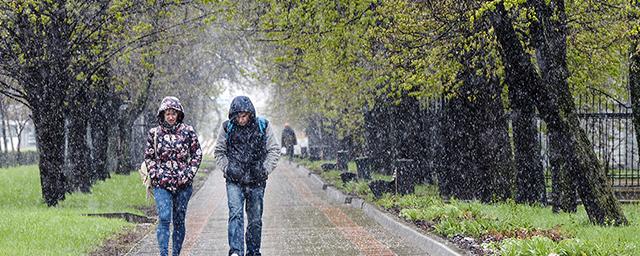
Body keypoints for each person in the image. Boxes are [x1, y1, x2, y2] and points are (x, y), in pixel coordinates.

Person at [214, 96, 280, 256]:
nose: (242, 119)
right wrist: (227, 169)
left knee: (255, 220)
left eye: (245, 116)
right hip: (234, 180)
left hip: (256, 180)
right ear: (234, 115)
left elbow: (274, 150)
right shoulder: (227, 127)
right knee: (235, 214)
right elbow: (219, 152)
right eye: (238, 116)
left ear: (250, 114)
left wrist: (264, 170)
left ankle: (253, 251)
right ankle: (236, 251)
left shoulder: (263, 126)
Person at [144, 96, 202, 256]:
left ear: (178, 114)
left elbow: (197, 153)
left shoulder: (188, 131)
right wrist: (156, 174)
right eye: (167, 113)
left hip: (183, 184)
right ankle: (164, 253)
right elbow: (148, 157)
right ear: (162, 114)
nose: (170, 117)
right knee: (163, 217)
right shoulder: (154, 133)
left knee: (178, 220)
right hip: (161, 184)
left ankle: (176, 253)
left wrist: (189, 174)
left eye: (173, 113)